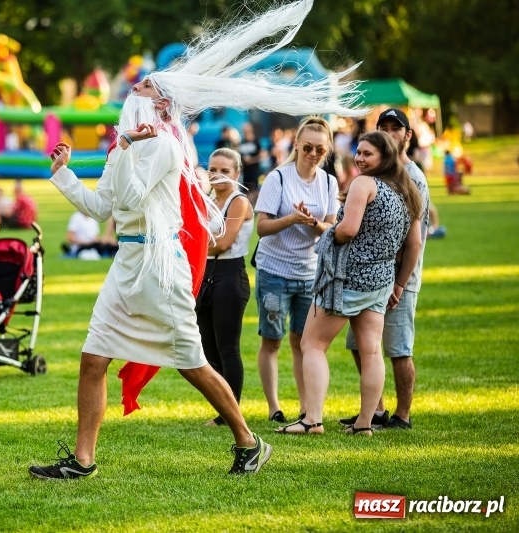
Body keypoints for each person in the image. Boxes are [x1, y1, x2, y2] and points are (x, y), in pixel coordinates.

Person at [27, 0, 364, 479]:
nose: (134, 89)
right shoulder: (127, 144)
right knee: (92, 359)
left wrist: (124, 148)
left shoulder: (163, 145)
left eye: (145, 86)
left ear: (162, 103)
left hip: (159, 267)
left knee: (192, 364)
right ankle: (83, 461)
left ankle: (249, 441)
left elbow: (133, 194)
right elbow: (103, 206)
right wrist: (64, 174)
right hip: (127, 263)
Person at [278, 130, 423, 436]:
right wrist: (398, 284)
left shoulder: (363, 184)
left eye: (368, 153)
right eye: (358, 152)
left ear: (385, 156)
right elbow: (415, 245)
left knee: (312, 344)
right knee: (371, 352)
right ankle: (364, 424)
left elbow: (347, 230)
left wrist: (329, 232)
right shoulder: (407, 190)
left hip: (346, 278)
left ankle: (312, 420)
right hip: (381, 282)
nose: (359, 158)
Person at [339, 109, 430, 430]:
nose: (390, 133)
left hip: (399, 278)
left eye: (396, 128)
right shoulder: (376, 176)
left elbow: (415, 241)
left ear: (407, 135)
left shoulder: (412, 177)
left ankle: (402, 415)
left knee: (398, 349)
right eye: (384, 127)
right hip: (369, 277)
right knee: (359, 345)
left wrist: (401, 282)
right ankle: (375, 410)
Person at [253, 116, 339, 423]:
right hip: (274, 273)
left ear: (327, 151)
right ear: (297, 145)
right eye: (308, 147)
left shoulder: (328, 182)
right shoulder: (278, 178)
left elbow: (332, 229)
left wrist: (312, 222)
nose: (313, 154)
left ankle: (306, 408)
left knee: (304, 342)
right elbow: (261, 227)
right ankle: (274, 407)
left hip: (308, 275)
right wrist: (291, 218)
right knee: (272, 340)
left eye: (320, 149)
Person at [196, 148, 254, 427]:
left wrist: (192, 246)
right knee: (208, 348)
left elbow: (223, 243)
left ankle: (230, 414)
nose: (217, 175)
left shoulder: (238, 201)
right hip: (206, 273)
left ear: (237, 173)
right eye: (213, 169)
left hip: (230, 274)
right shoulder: (208, 200)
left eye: (225, 170)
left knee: (228, 348)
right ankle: (223, 406)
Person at [237, 122, 262, 204]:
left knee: (254, 187)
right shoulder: (242, 142)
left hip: (254, 169)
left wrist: (252, 160)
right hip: (245, 170)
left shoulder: (256, 141)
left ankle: (255, 204)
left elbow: (260, 155)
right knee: (245, 188)